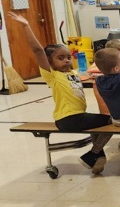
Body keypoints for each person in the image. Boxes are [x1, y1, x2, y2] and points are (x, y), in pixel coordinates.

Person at [9, 12, 112, 174]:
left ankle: (98, 156)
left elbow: (90, 77)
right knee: (111, 121)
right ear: (50, 62)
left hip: (79, 116)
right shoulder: (52, 75)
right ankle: (94, 153)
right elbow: (37, 50)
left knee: (96, 123)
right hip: (68, 118)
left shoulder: (73, 73)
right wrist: (26, 25)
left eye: (68, 57)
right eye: (60, 58)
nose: (66, 61)